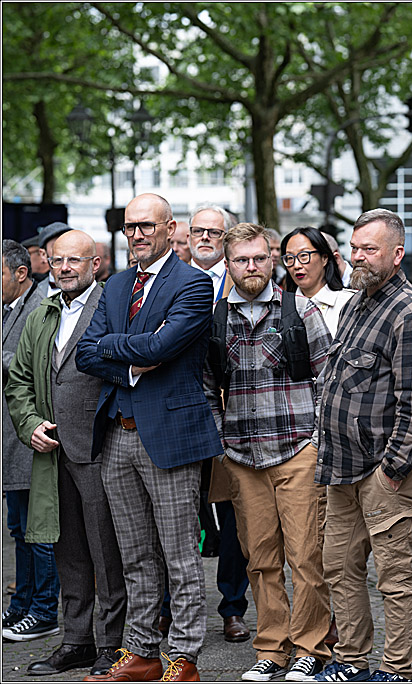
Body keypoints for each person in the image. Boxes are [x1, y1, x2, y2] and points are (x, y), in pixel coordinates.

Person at [77, 192, 223, 682]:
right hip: (117, 435)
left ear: (168, 227)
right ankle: (140, 653)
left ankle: (183, 658)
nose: (136, 234)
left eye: (145, 225)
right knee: (135, 555)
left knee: (180, 555)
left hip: (171, 437)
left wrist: (121, 349)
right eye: (129, 227)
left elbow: (164, 344)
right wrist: (136, 364)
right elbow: (86, 354)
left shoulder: (194, 284)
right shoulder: (115, 285)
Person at [203, 222, 334, 682]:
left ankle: (310, 648)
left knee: (306, 558)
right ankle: (272, 648)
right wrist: (222, 439)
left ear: (271, 258)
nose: (251, 267)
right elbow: (206, 387)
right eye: (241, 260)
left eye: (259, 258)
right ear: (229, 263)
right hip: (242, 458)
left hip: (298, 451)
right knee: (260, 560)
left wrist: (317, 439)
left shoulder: (300, 311)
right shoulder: (215, 318)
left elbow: (328, 379)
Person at [315, 208, 412, 683]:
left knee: (394, 578)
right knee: (339, 569)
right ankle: (351, 662)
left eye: (369, 249)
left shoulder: (410, 314)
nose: (357, 256)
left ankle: (396, 672)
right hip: (341, 466)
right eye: (354, 247)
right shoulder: (356, 302)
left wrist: (391, 470)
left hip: (385, 472)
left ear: (397, 253)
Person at [5, 231, 127, 676]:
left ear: (95, 264)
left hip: (101, 450)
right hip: (52, 453)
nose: (65, 268)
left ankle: (114, 645)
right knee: (68, 552)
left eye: (75, 260)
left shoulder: (113, 309)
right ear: (47, 265)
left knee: (107, 553)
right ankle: (76, 640)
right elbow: (18, 379)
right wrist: (30, 423)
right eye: (57, 261)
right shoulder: (43, 313)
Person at [182, 203, 252, 645]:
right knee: (180, 519)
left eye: (214, 231)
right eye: (198, 230)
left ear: (226, 240)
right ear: (186, 236)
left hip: (229, 419)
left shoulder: (243, 285)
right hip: (180, 418)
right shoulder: (171, 282)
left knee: (233, 519)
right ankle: (179, 608)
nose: (205, 237)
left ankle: (232, 607)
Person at [2, 239, 59, 644]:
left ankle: (43, 610)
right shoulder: (13, 308)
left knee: (38, 532)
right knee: (20, 529)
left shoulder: (38, 305)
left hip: (30, 438)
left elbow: (27, 360)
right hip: (14, 439)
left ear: (21, 274)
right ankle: (22, 605)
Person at [281, 227, 352, 339]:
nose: (296, 265)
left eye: (304, 256)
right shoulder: (280, 307)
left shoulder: (349, 303)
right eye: (290, 258)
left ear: (324, 258)